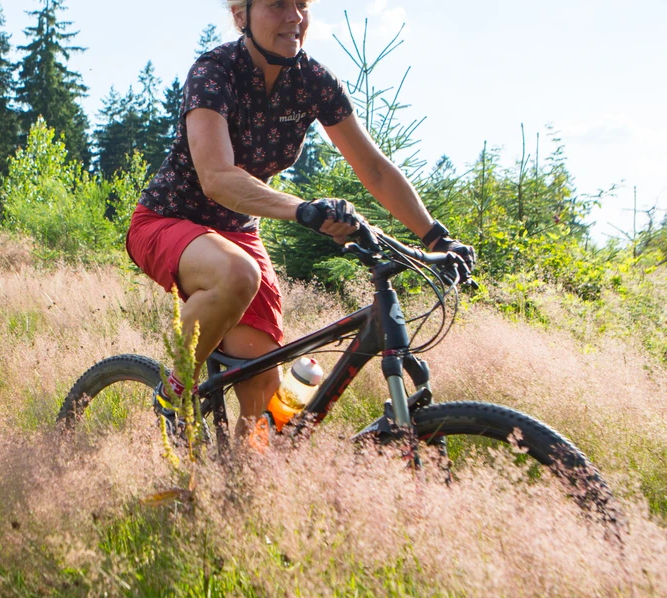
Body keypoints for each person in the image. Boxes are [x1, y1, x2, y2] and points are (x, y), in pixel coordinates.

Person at [128, 0, 475, 445]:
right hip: (167, 220)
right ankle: (173, 395)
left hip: (236, 234)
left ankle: (237, 491)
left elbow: (374, 169)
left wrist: (435, 235)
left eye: (303, 4)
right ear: (240, 15)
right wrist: (302, 209)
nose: (294, 16)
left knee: (264, 398)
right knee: (237, 273)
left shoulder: (313, 81)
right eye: (277, 4)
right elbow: (215, 178)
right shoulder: (215, 71)